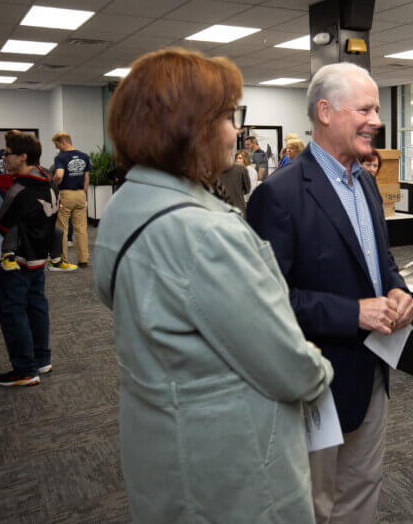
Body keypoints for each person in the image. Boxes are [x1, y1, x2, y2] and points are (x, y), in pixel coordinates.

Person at [94, 47, 333, 522]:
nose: (237, 130)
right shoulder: (205, 233)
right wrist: (322, 371)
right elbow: (286, 364)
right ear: (191, 128)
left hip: (162, 447)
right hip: (234, 473)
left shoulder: (126, 205)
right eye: (227, 117)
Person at [247, 62, 413, 524]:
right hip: (314, 383)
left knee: (363, 492)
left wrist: (399, 292)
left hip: (373, 373)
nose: (377, 120)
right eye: (364, 108)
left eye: (377, 109)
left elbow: (379, 263)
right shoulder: (278, 195)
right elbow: (265, 304)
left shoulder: (364, 181)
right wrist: (354, 313)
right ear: (325, 111)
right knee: (314, 505)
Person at [0, 132, 58, 387]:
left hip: (15, 261)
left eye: (7, 153)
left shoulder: (19, 190)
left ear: (22, 156)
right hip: (39, 258)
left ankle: (25, 370)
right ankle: (41, 359)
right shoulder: (44, 178)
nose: (4, 157)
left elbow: (2, 224)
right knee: (36, 306)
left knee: (12, 310)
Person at [51, 132, 91, 268]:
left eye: (56, 144)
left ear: (62, 141)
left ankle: (63, 259)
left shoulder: (60, 158)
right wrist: (82, 193)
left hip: (65, 194)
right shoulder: (84, 156)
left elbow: (59, 175)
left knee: (62, 228)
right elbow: (86, 178)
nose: (57, 148)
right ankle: (83, 259)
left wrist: (53, 183)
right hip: (81, 194)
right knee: (81, 229)